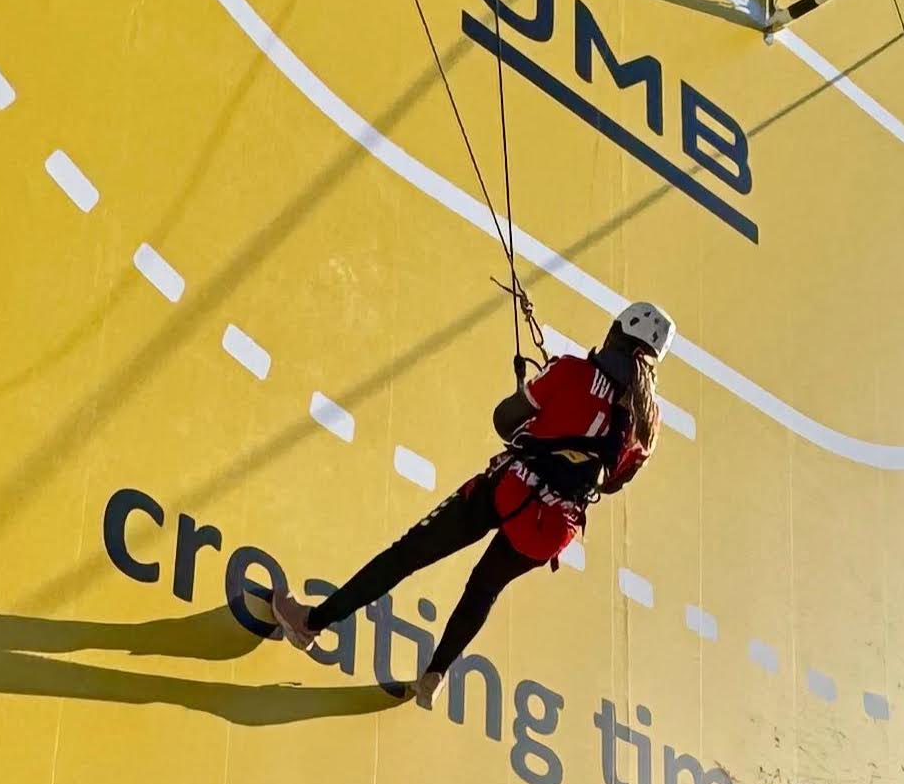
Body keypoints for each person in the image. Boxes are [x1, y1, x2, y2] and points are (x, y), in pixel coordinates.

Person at [272, 301, 672, 709]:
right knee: (484, 589)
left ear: (615, 335)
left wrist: (536, 394)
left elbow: (505, 421)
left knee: (410, 553)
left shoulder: (571, 371)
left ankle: (309, 623)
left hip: (512, 490)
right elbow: (611, 484)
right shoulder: (648, 424)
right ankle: (435, 675)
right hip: (554, 529)